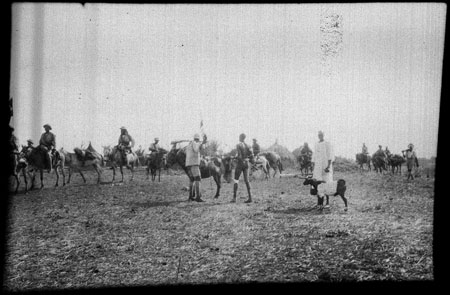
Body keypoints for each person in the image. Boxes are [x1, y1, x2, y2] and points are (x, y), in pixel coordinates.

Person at [231, 133, 254, 203]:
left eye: (239, 137)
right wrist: (247, 159)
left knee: (236, 180)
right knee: (247, 181)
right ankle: (250, 198)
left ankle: (234, 198)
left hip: (240, 164)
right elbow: (252, 157)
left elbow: (239, 156)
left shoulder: (238, 145)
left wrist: (234, 157)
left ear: (241, 137)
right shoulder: (248, 145)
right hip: (246, 164)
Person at [185, 133, 207, 202]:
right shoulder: (195, 143)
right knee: (198, 178)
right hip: (194, 164)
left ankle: (190, 196)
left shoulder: (189, 144)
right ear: (197, 139)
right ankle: (198, 197)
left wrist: (202, 143)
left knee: (192, 180)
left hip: (188, 164)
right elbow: (196, 150)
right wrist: (202, 143)